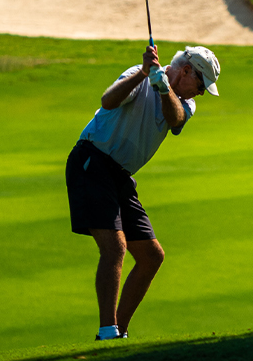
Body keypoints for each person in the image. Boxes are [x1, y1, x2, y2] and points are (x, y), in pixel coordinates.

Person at [66, 45, 220, 341]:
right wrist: (144, 74)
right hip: (92, 161)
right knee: (115, 248)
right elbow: (107, 101)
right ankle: (107, 331)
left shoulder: (185, 103)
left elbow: (175, 119)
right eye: (201, 85)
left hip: (120, 176)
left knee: (152, 256)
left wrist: (163, 88)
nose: (201, 93)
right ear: (187, 71)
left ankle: (118, 332)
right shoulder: (137, 76)